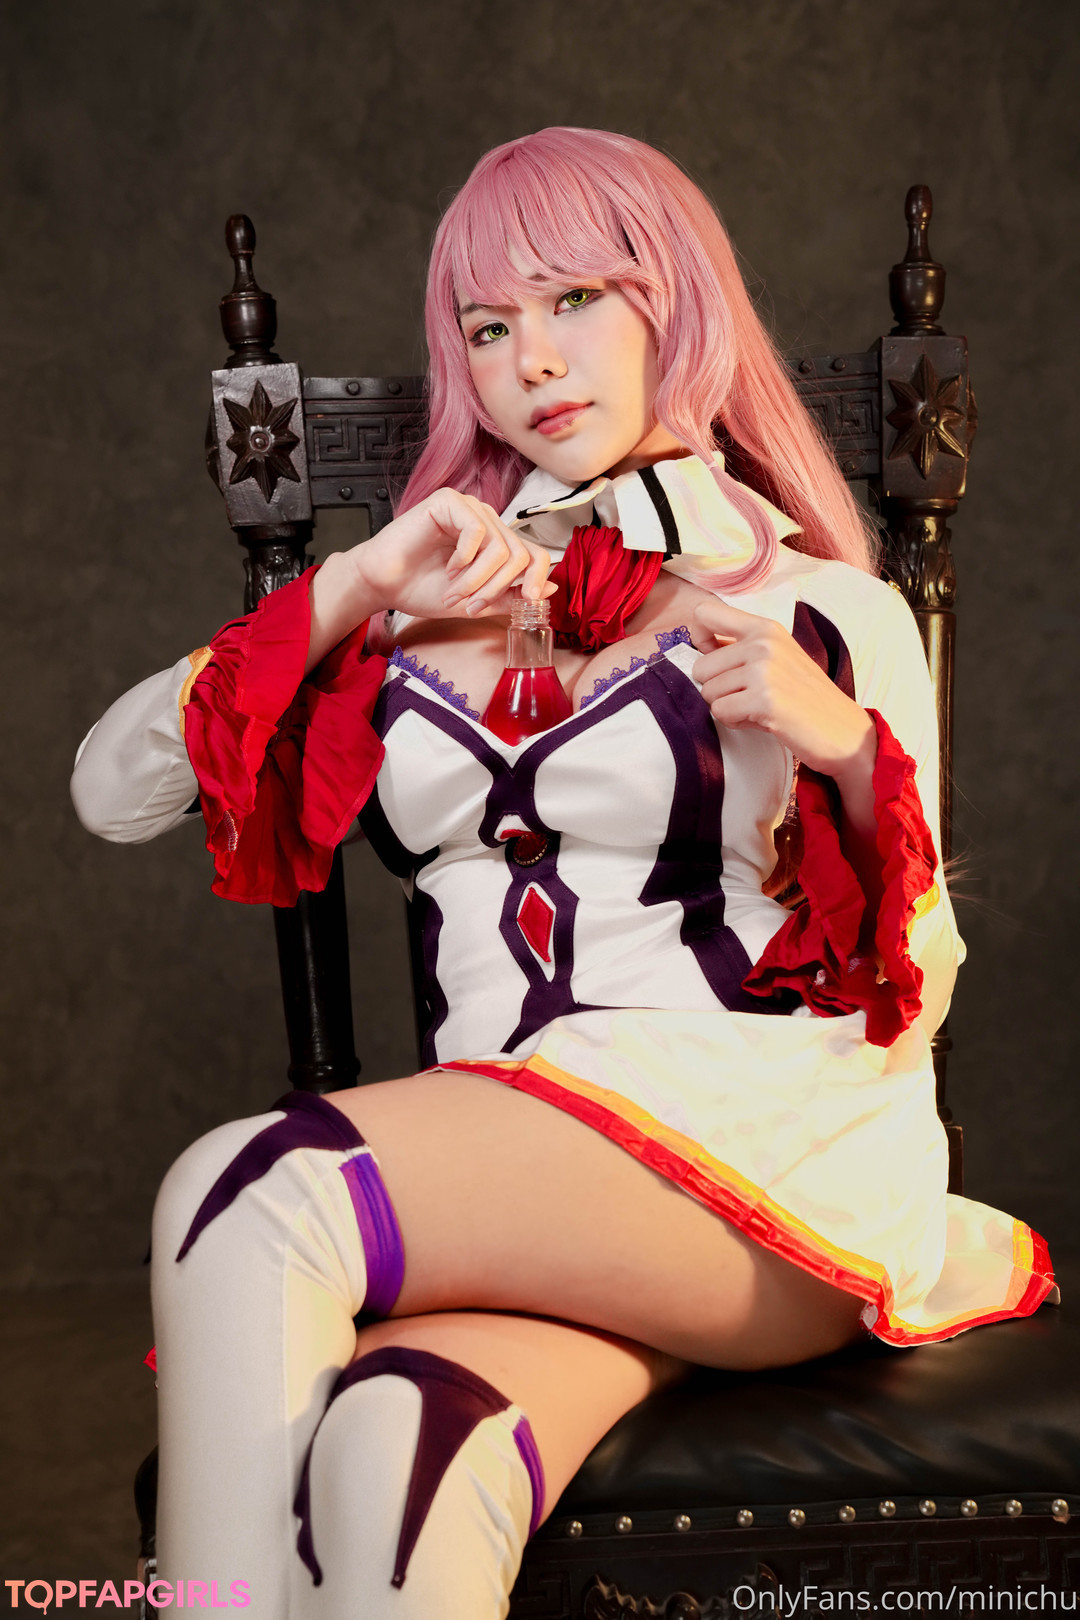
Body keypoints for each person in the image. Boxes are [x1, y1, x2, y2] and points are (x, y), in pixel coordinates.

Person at [71, 127, 1053, 1618]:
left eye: (576, 298)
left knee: (247, 1193)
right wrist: (354, 584)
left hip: (763, 1162)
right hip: (524, 1192)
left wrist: (846, 745)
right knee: (397, 1455)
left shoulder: (821, 608)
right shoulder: (413, 609)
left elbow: (914, 995)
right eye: (487, 327)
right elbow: (111, 790)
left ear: (675, 301)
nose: (532, 359)